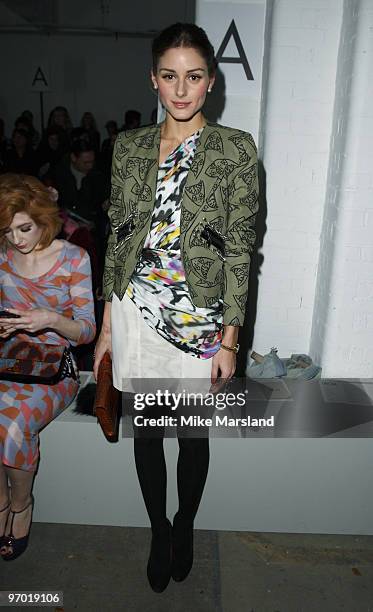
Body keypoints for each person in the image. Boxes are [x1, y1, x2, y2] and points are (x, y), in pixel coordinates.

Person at [93, 22, 259, 592]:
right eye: (170, 76)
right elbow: (117, 238)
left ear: (211, 82)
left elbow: (241, 251)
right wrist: (106, 329)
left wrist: (231, 340)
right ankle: (158, 531)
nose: (181, 89)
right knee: (147, 436)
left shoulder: (235, 149)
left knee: (191, 438)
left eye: (193, 77)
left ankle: (185, 522)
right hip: (136, 309)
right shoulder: (129, 147)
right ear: (153, 81)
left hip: (200, 318)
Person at [0, 173, 96, 561]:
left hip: (57, 366)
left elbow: (87, 330)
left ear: (43, 217)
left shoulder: (73, 258)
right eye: (7, 231)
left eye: (24, 227)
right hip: (9, 361)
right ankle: (2, 501)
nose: (17, 239)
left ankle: (21, 505)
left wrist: (50, 319)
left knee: (15, 422)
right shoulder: (2, 258)